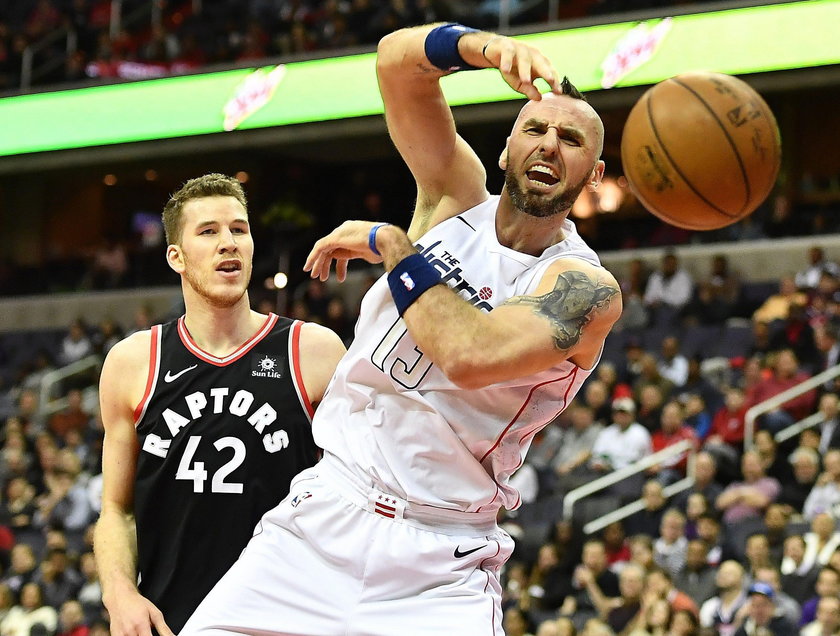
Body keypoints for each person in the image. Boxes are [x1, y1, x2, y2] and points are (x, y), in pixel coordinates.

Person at [181, 22, 621, 636]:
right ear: (505, 150)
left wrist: (392, 244)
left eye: (570, 139)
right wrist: (484, 48)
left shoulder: (583, 287)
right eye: (535, 129)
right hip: (324, 516)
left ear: (594, 173)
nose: (549, 145)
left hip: (441, 558)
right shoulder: (454, 198)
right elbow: (394, 62)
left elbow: (468, 352)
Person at [93, 174, 346, 635]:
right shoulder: (133, 362)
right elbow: (116, 510)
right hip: (173, 619)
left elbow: (355, 496)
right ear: (177, 256)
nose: (228, 242)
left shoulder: (314, 351)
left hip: (291, 616)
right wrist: (119, 593)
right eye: (208, 231)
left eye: (239, 229)